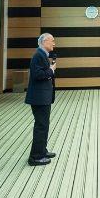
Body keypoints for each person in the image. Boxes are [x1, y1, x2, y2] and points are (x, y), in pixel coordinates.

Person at [26, 33, 57, 166]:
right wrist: (51, 70)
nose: (54, 43)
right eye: (52, 41)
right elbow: (38, 75)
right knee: (41, 126)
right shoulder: (38, 55)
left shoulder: (42, 55)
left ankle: (42, 151)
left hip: (42, 97)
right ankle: (35, 157)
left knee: (44, 125)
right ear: (44, 42)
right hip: (39, 98)